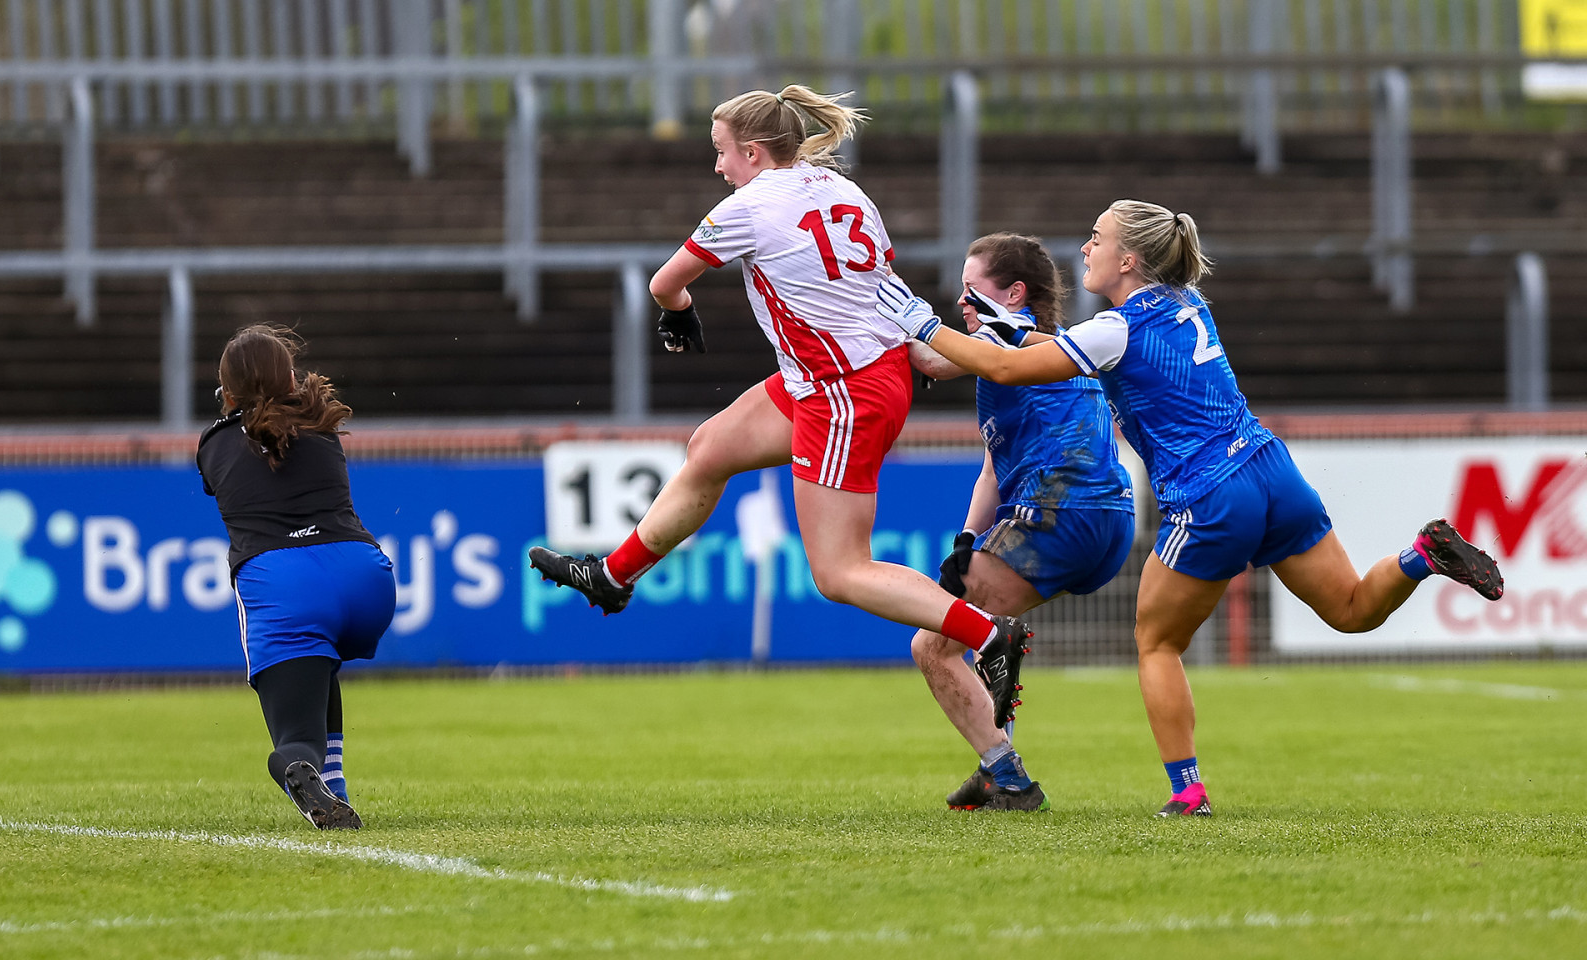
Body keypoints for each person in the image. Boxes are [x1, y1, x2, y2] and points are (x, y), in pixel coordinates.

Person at [875, 200, 1504, 817]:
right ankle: (1421, 555)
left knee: (1157, 644)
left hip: (1209, 493)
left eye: (1097, 238)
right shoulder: (1187, 303)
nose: (1086, 248)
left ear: (1128, 258)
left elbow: (1006, 369)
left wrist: (918, 320)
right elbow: (1044, 354)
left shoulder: (1113, 329)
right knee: (1351, 610)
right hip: (1271, 469)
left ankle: (1188, 793)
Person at [526, 85, 1033, 723]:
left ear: (754, 152)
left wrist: (678, 315)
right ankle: (616, 575)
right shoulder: (846, 192)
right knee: (707, 450)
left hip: (841, 390)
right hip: (830, 376)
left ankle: (990, 635)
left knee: (840, 572)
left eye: (721, 154)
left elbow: (666, 283)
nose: (718, 169)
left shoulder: (749, 204)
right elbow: (878, 290)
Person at [906, 233, 1137, 812]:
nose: (960, 301)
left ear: (1013, 295)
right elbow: (992, 471)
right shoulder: (1055, 349)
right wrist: (966, 538)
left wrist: (872, 309)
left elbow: (930, 358)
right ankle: (997, 767)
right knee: (984, 635)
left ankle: (1005, 772)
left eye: (970, 289)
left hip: (1058, 514)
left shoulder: (999, 335)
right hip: (1109, 522)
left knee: (934, 645)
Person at [197, 324, 396, 830]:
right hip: (363, 577)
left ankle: (299, 767)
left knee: (294, 742)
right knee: (320, 658)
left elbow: (238, 453)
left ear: (228, 390)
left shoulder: (213, 445)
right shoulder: (322, 422)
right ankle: (336, 791)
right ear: (290, 376)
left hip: (284, 584)